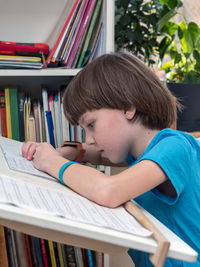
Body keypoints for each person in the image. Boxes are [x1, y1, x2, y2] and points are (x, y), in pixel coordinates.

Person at [22, 52, 200, 266]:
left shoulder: (174, 146)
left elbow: (108, 191)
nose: (89, 138)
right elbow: (96, 152)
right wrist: (72, 151)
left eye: (91, 125)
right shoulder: (140, 154)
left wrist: (54, 163)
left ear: (127, 107)